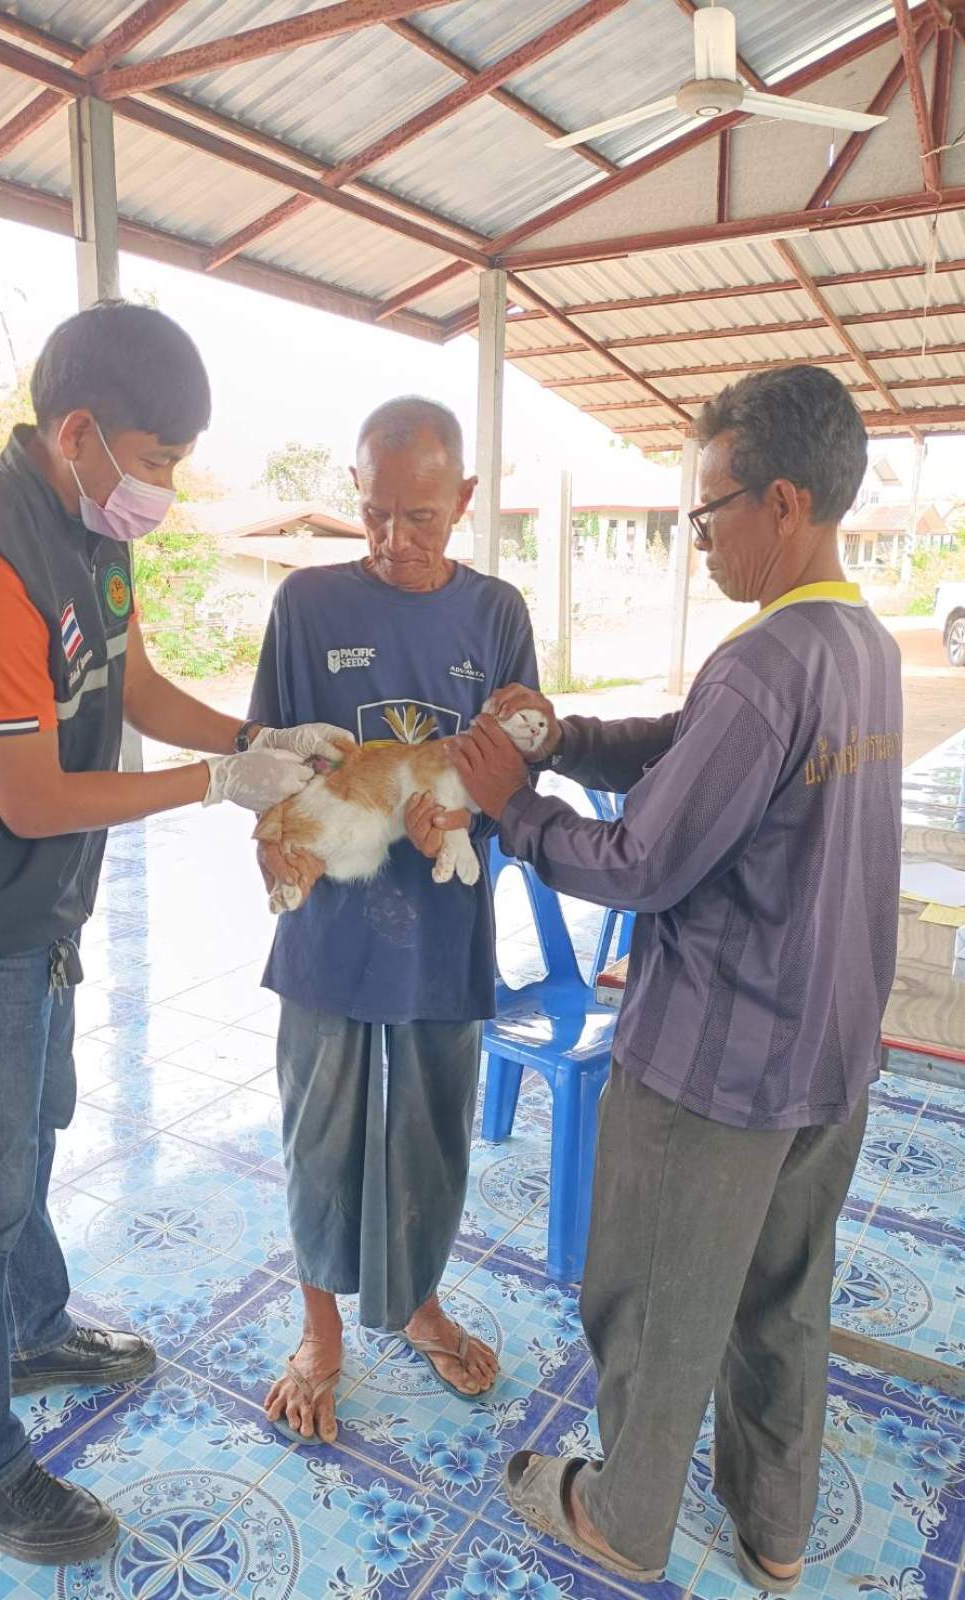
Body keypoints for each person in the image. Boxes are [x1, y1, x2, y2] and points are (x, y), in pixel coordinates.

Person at [0, 301, 347, 1568]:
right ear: (78, 431)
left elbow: (128, 682)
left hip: (38, 908)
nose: (166, 487)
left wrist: (248, 738)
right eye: (156, 458)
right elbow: (29, 796)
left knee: (31, 1128)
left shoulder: (93, 534)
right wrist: (215, 786)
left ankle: (30, 1330)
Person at [448, 365, 902, 1591]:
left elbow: (643, 863)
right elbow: (696, 748)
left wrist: (517, 807)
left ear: (784, 503)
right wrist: (567, 737)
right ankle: (775, 1526)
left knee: (650, 1298)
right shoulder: (859, 645)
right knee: (781, 1299)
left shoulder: (763, 664)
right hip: (830, 1049)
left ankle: (623, 1514)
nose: (700, 538)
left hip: (717, 1062)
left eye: (710, 511)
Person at [249, 396, 539, 1446]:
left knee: (429, 1134)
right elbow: (266, 761)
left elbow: (517, 768)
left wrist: (463, 819)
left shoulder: (496, 615)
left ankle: (418, 1303)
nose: (393, 540)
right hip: (329, 930)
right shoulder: (307, 603)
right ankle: (319, 1330)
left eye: (420, 517)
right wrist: (272, 842)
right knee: (317, 1133)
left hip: (441, 935)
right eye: (375, 514)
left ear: (464, 499)